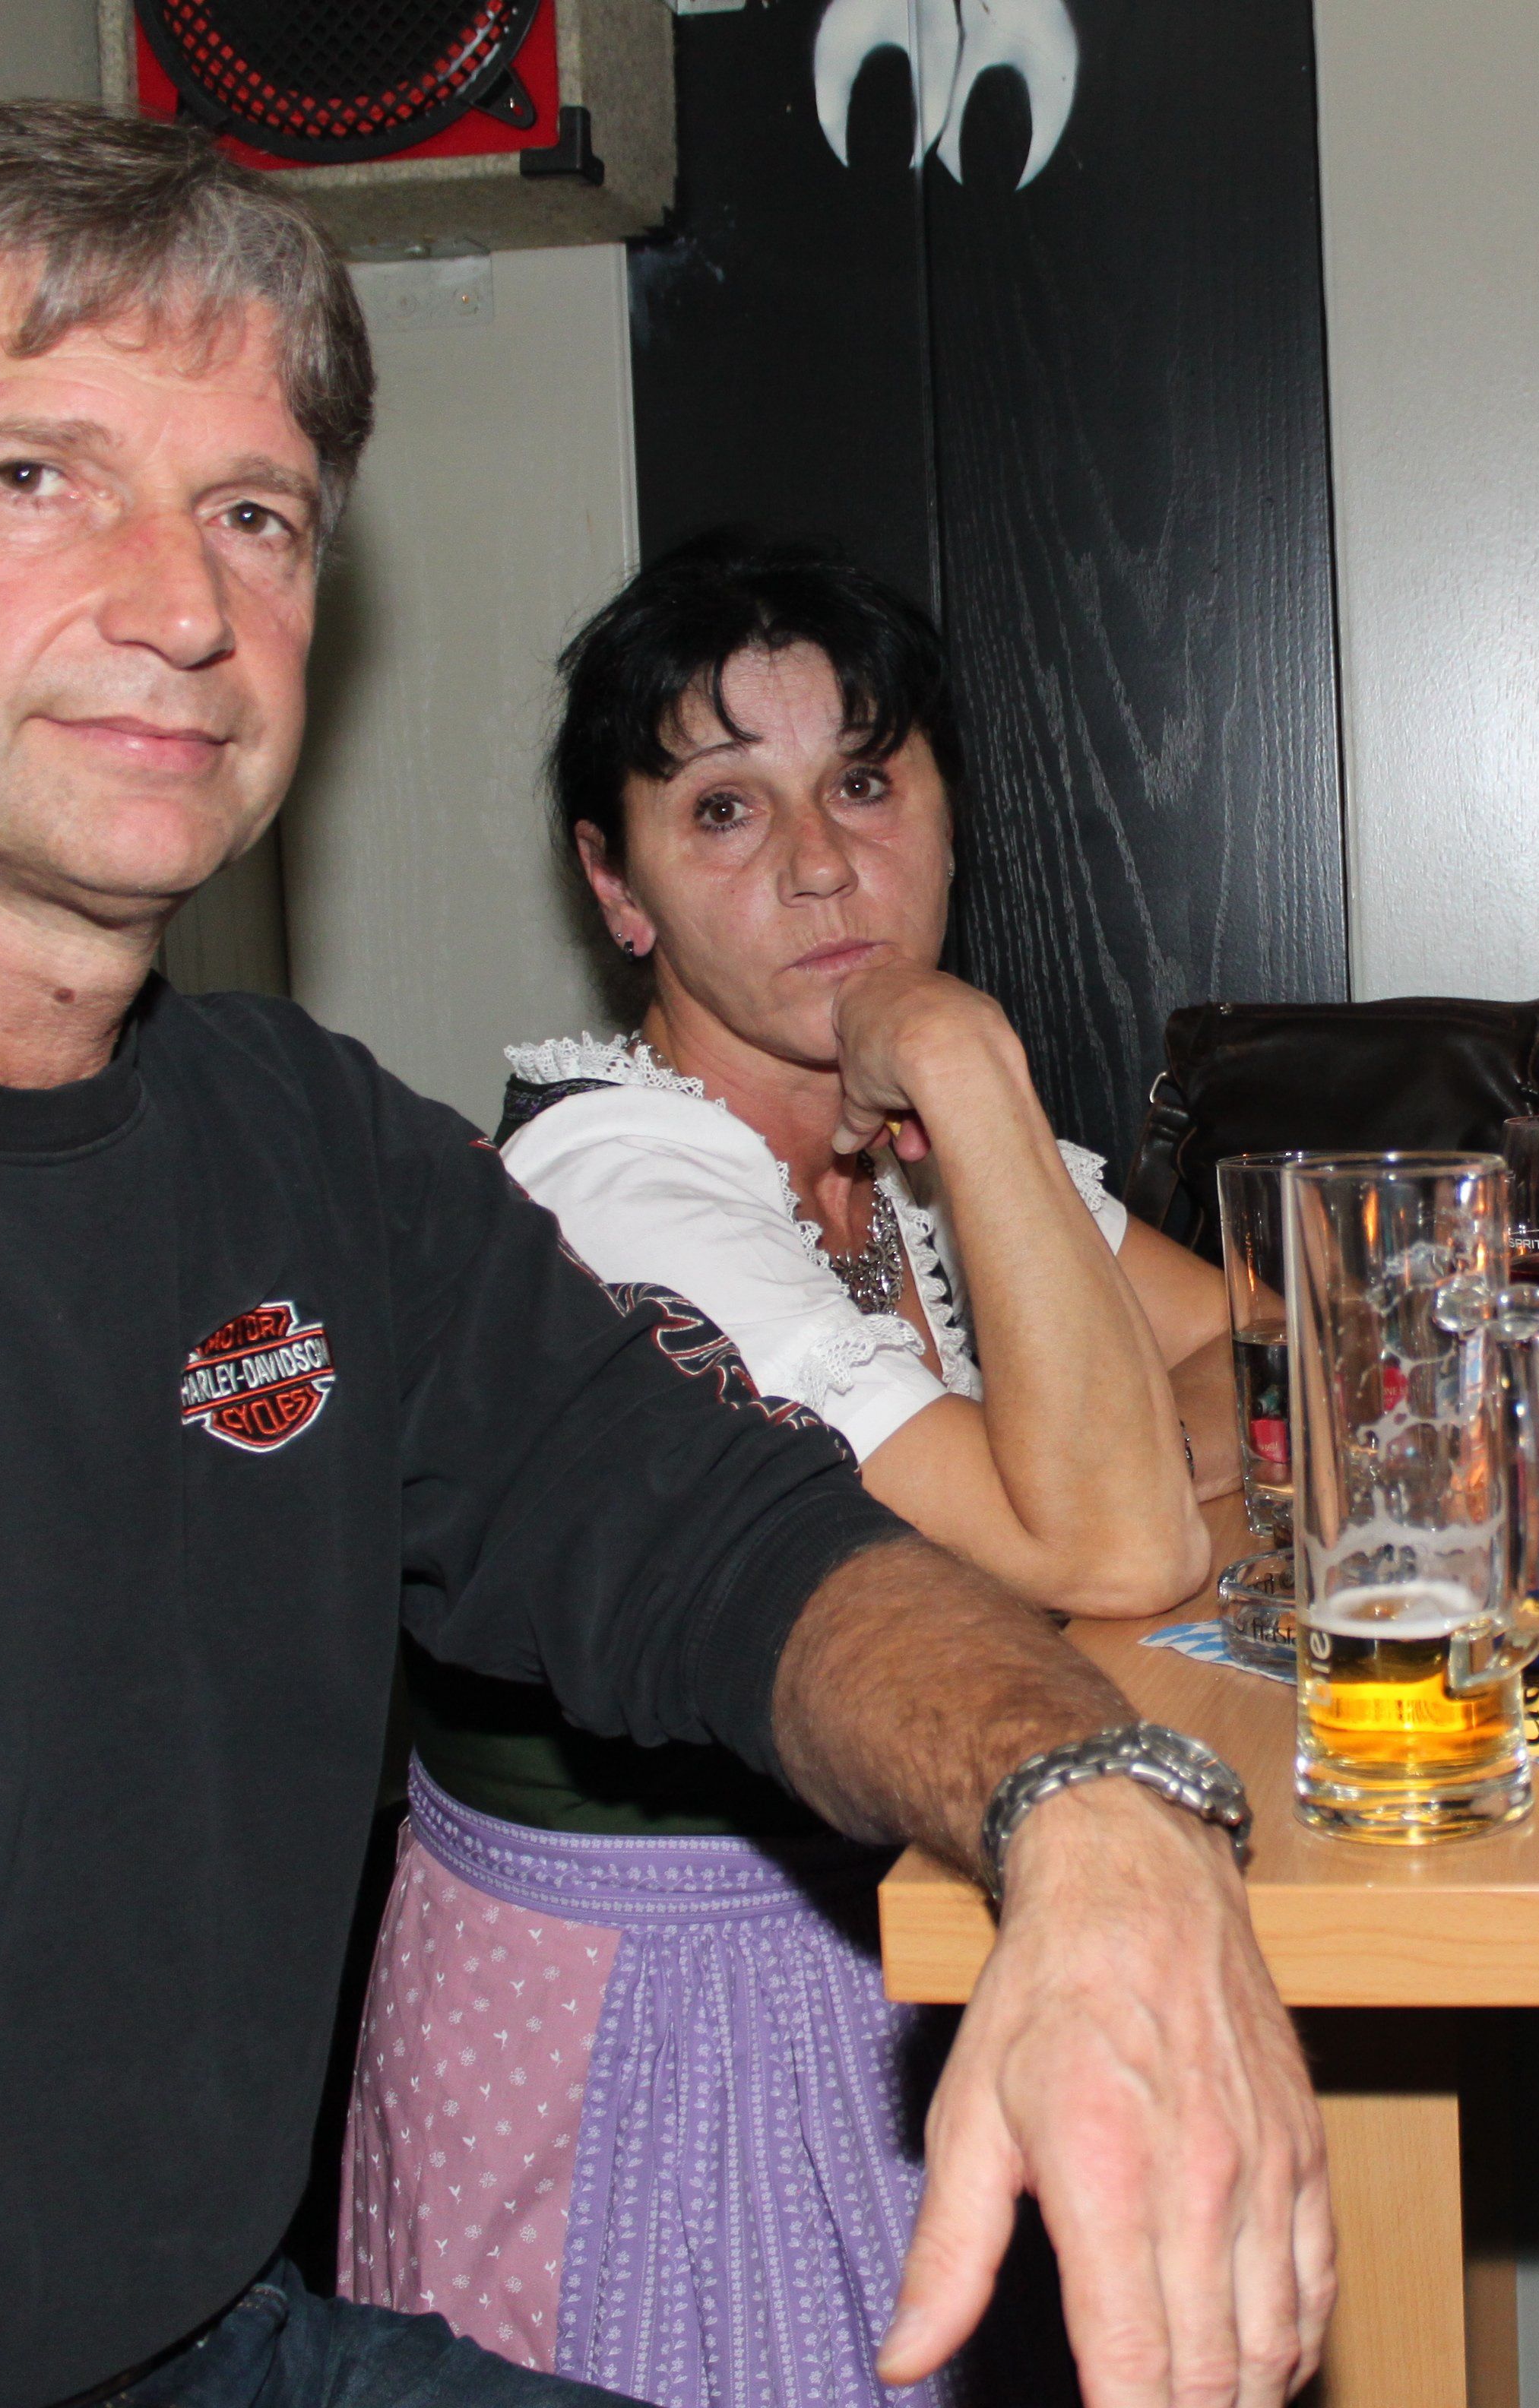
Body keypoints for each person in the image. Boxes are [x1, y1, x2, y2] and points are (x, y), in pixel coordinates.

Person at [0, 102, 1328, 2408]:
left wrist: (1088, 1805)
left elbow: (742, 1553)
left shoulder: (303, 1143)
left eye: (251, 515)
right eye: (39, 478)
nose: (183, 607)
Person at [337, 537, 1230, 2400]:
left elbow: (1260, 1354)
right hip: (653, 2002)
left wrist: (1122, 1480)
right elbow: (1115, 1541)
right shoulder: (622, 1184)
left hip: (917, 1936)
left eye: (867, 783)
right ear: (618, 886)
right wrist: (960, 1051)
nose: (822, 867)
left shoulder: (917, 1159)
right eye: (725, 809)